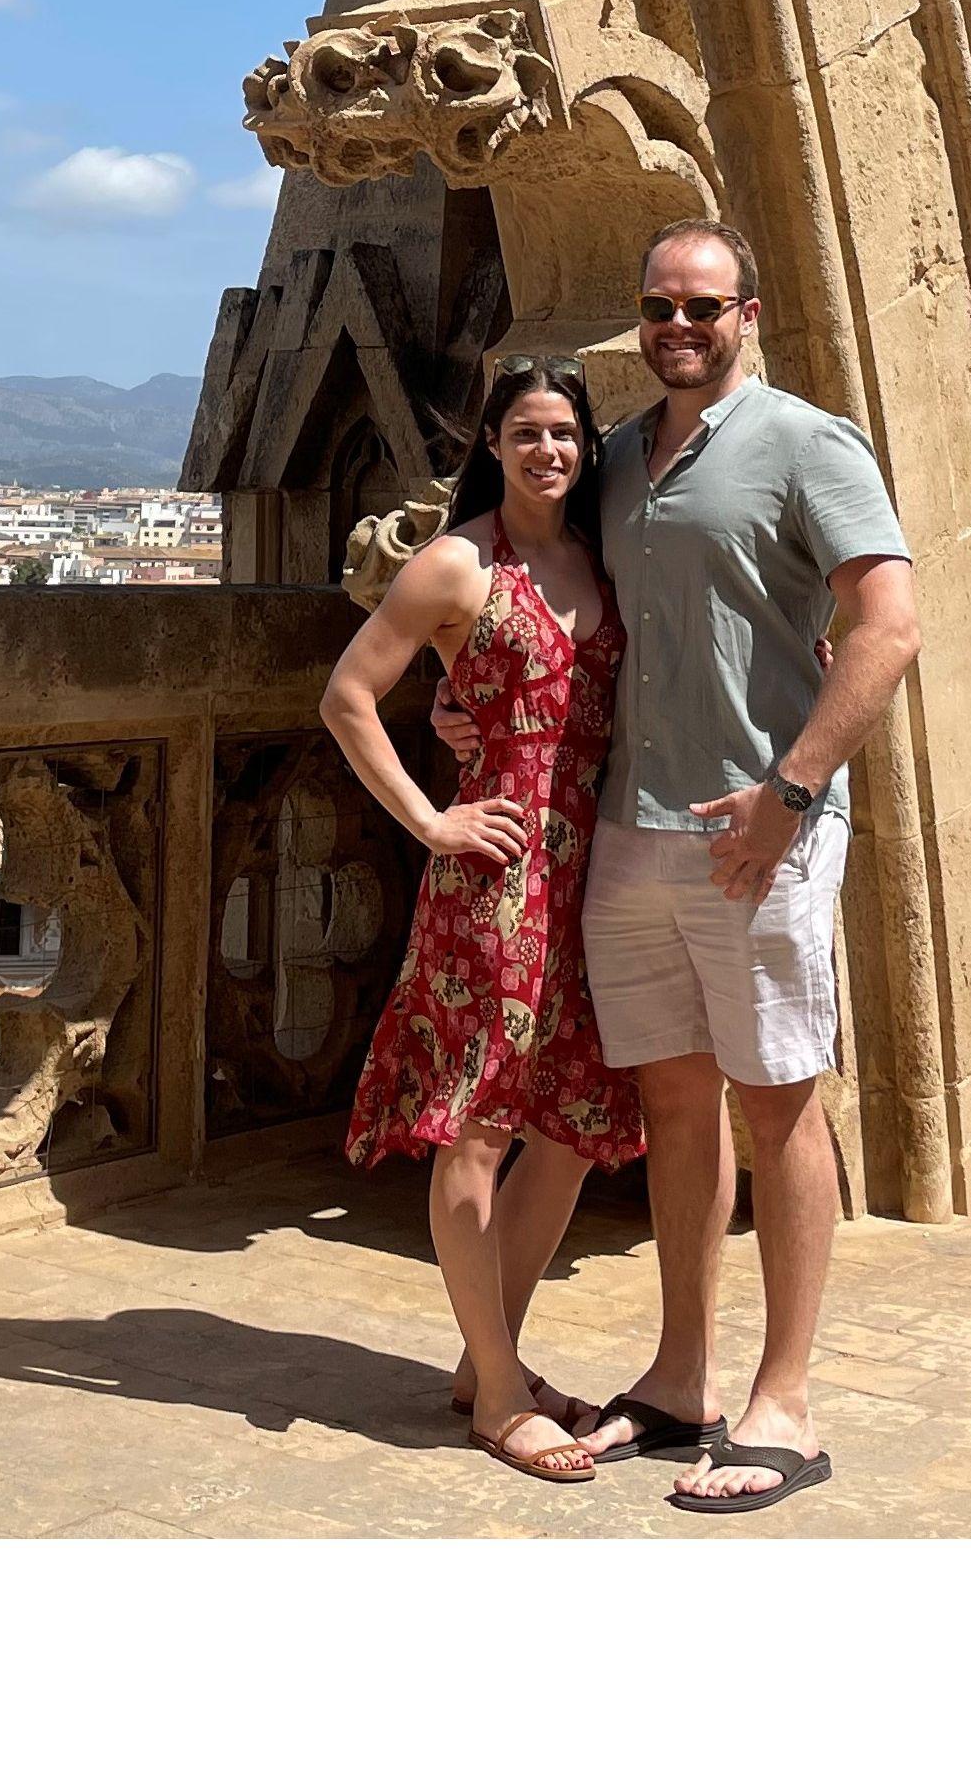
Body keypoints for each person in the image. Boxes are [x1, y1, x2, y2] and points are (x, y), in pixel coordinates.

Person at [436, 218, 919, 1515]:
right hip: (628, 831)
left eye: (702, 304)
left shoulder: (807, 442)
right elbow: (517, 576)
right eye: (657, 306)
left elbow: (887, 624)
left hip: (756, 835)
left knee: (780, 1105)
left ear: (748, 312)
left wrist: (791, 788)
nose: (677, 325)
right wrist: (457, 687)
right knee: (671, 1106)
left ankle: (786, 1403)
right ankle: (679, 1374)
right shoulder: (607, 460)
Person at [321, 355, 645, 1486]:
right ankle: (500, 1393)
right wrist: (430, 821)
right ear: (493, 443)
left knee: (565, 1120)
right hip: (495, 884)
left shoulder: (595, 556)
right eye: (526, 430)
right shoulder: (459, 562)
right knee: (477, 1126)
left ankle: (482, 1360)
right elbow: (347, 693)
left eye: (564, 432)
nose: (548, 449)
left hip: (594, 869)